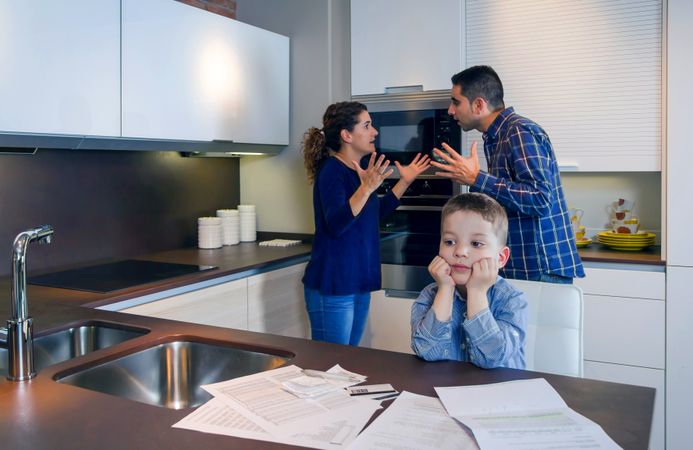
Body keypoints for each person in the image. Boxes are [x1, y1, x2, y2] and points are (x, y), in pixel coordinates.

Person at [431, 65, 584, 284]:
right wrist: (474, 180)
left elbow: (540, 199)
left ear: (478, 104)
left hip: (540, 268)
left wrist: (477, 179)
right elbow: (508, 199)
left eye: (456, 102)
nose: (450, 110)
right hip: (523, 265)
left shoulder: (519, 132)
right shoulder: (496, 137)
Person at [302, 101, 431, 345]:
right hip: (335, 283)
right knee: (330, 366)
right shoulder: (332, 171)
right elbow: (337, 224)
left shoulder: (360, 171)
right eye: (367, 125)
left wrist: (404, 182)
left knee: (349, 362)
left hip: (358, 281)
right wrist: (367, 187)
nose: (375, 132)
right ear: (346, 135)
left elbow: (372, 215)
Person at [411, 193, 527, 369]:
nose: (460, 251)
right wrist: (445, 289)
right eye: (449, 241)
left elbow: (493, 358)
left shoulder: (512, 300)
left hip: (499, 393)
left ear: (501, 258)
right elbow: (426, 351)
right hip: (446, 391)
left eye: (476, 244)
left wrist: (477, 292)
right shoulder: (430, 295)